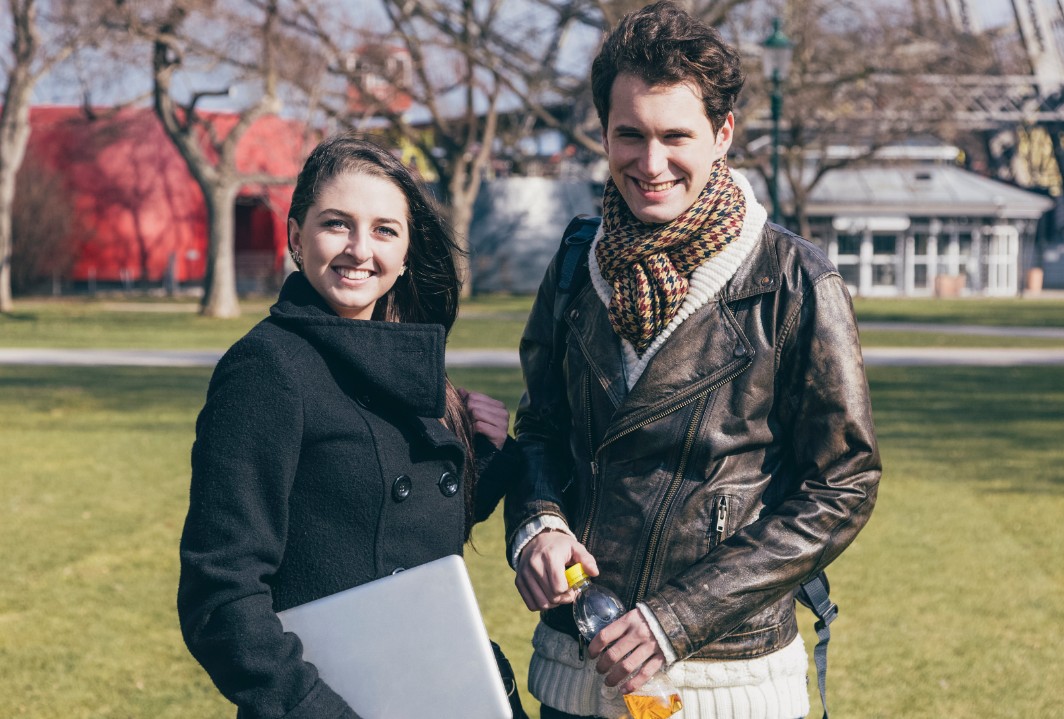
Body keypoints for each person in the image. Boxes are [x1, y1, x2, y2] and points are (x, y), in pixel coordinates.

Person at [505, 2, 882, 718]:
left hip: (725, 682)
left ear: (722, 134)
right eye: (629, 135)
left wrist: (675, 617)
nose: (650, 164)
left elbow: (843, 484)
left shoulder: (797, 280)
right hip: (575, 671)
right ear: (604, 134)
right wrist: (538, 525)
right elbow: (540, 431)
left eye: (675, 135)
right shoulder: (572, 265)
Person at [177, 134, 527, 718]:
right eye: (337, 224)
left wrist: (483, 457)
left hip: (442, 686)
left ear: (408, 251)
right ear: (295, 237)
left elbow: (385, 527)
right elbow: (221, 594)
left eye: (385, 230)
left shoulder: (400, 356)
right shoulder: (266, 369)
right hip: (333, 701)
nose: (359, 250)